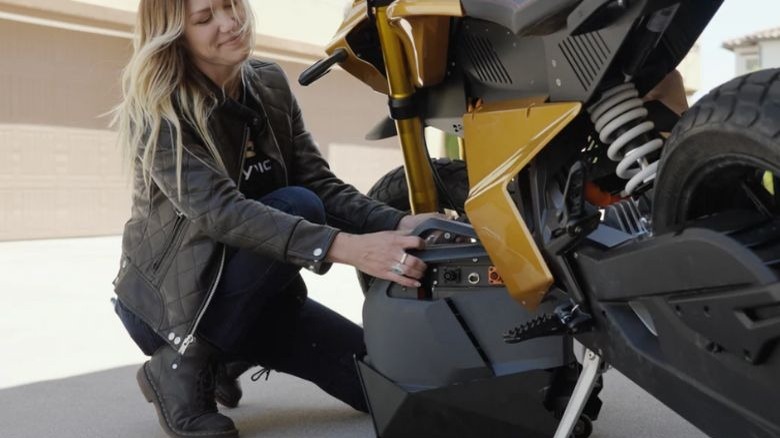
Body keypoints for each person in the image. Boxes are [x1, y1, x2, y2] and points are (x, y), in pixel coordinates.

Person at [110, 1, 440, 437]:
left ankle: (224, 356)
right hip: (175, 309)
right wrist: (350, 249)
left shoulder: (267, 82)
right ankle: (179, 367)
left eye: (230, 5)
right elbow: (219, 212)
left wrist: (396, 223)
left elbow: (320, 183)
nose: (229, 23)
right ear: (175, 34)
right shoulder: (159, 106)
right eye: (205, 19)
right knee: (298, 204)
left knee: (383, 387)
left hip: (257, 297)